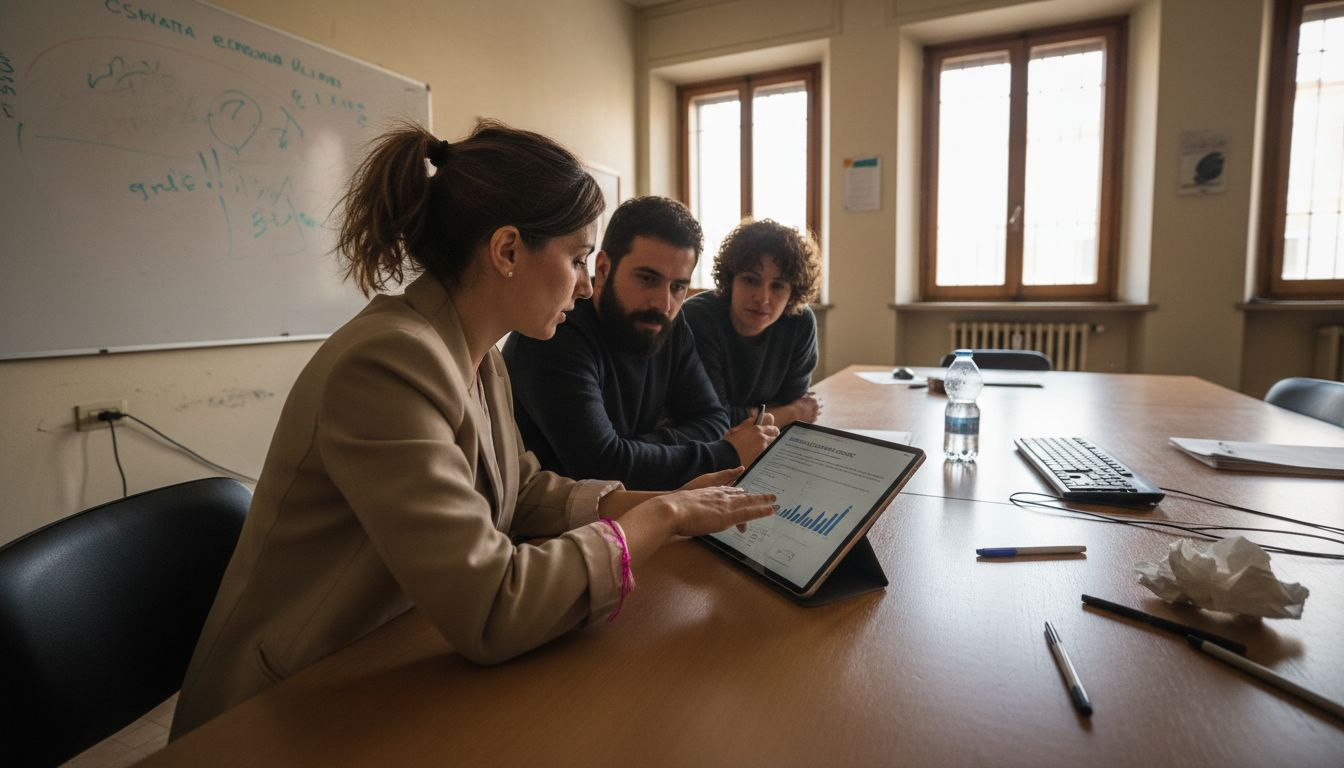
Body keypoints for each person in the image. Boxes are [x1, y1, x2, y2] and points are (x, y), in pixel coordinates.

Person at [170, 122, 776, 738]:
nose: (588, 283)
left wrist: (671, 500)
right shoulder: (385, 363)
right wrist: (662, 520)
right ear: (508, 251)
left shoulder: (478, 356)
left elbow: (524, 489)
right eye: (576, 258)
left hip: (386, 664)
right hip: (279, 708)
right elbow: (492, 608)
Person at [502, 197, 779, 491]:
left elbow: (712, 420)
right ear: (605, 269)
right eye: (648, 279)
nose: (663, 302)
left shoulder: (668, 325)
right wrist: (727, 453)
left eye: (678, 287)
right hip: (555, 527)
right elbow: (601, 467)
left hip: (634, 509)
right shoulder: (555, 332)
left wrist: (631, 449)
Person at [681, 219, 822, 429]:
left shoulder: (799, 323)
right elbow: (712, 421)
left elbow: (792, 403)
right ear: (731, 280)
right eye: (750, 280)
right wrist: (791, 413)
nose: (762, 298)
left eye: (778, 286)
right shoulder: (698, 318)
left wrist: (783, 412)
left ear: (793, 293)